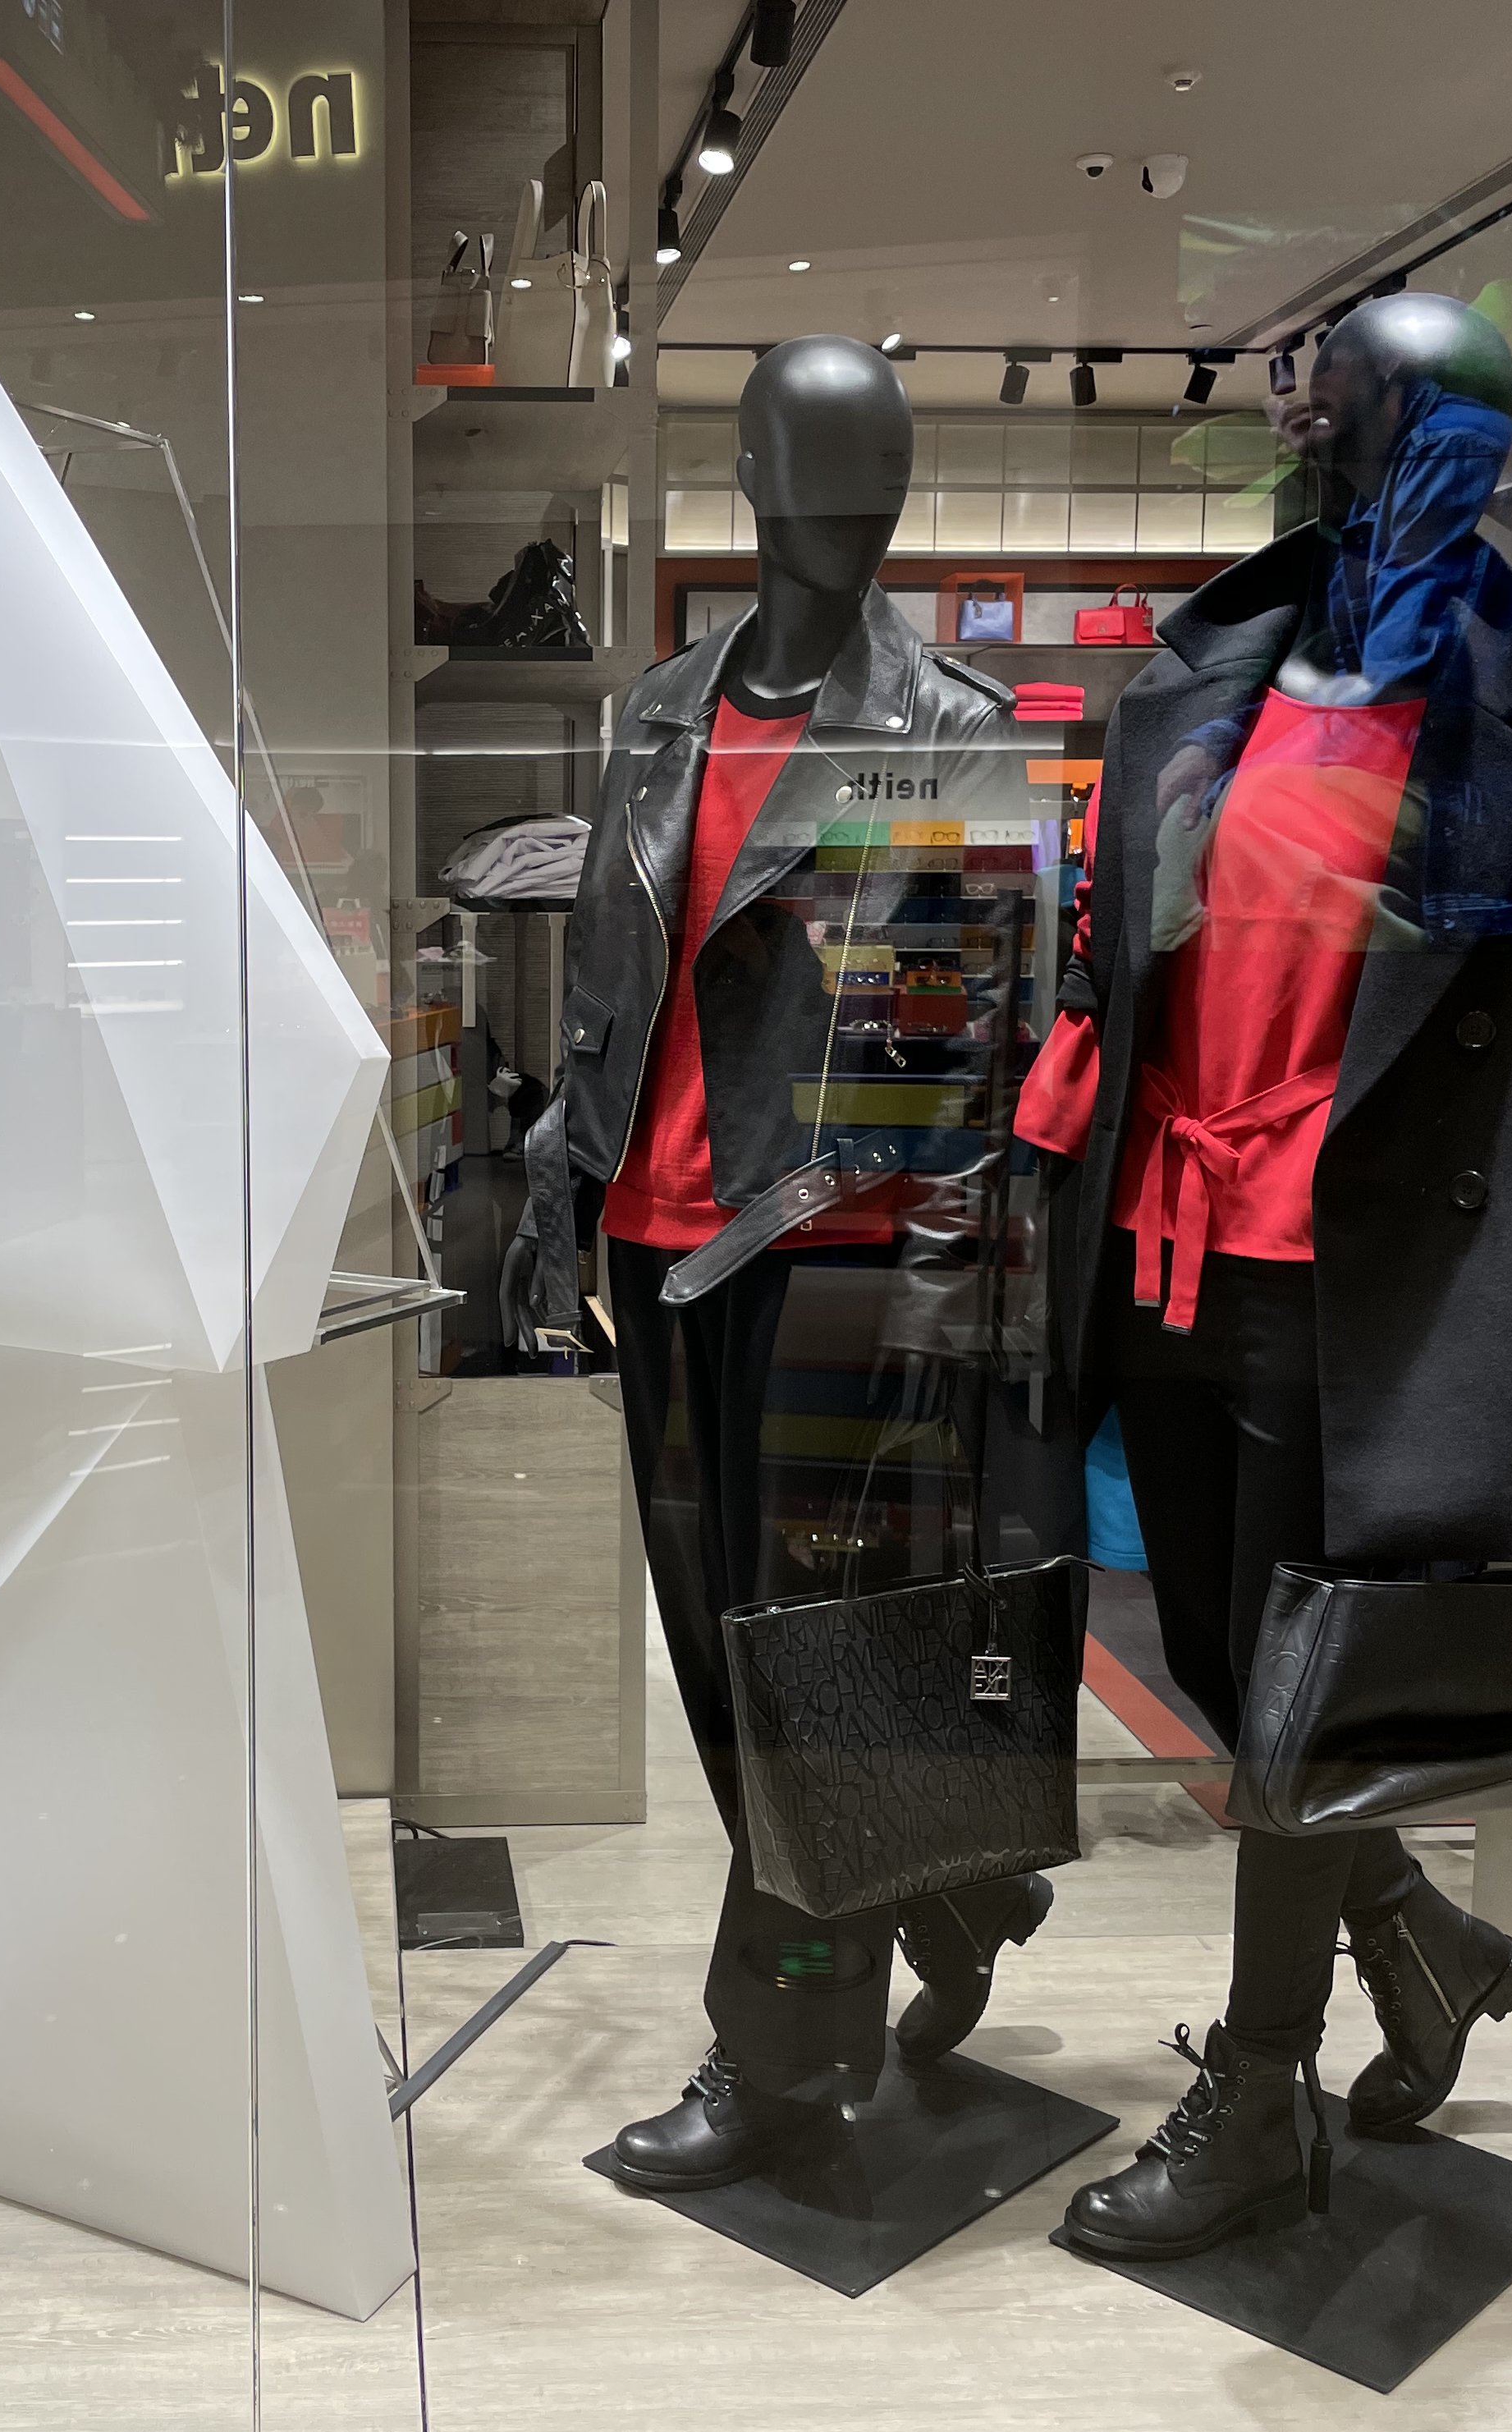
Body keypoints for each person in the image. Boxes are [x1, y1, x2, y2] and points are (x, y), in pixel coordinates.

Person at [1010, 299, 1512, 2258]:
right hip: (1163, 1237)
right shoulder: (1219, 677)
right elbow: (1123, 960)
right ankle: (1424, 1941)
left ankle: (1261, 2090)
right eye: (1306, 404)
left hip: (1340, 1274)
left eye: (1349, 406)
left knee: (1294, 1685)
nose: (1307, 433)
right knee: (1214, 1667)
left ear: (1453, 443)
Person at [552, 339, 1058, 2191]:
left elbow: (964, 1040)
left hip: (831, 1250)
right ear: (754, 480)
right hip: (659, 1243)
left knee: (809, 1667)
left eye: (882, 470)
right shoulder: (660, 714)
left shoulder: (945, 725)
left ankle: (778, 2054)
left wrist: (935, 1285)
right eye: (821, 467)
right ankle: (949, 1881)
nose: (857, 507)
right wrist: (561, 1191)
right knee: (718, 1662)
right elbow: (613, 981)